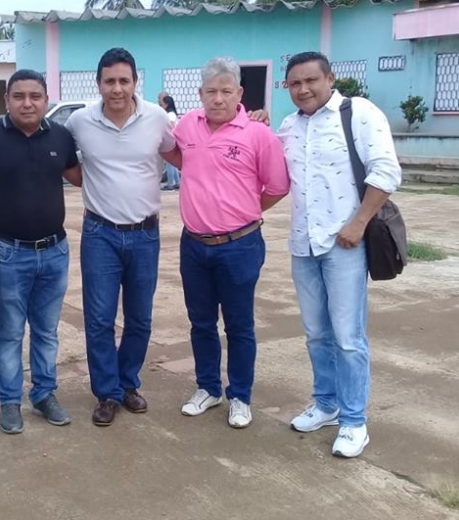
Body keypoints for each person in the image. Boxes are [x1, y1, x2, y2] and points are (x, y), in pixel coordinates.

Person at [277, 51, 401, 458]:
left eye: (311, 80)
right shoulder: (288, 127)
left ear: (330, 78)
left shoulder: (359, 113)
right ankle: (326, 404)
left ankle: (353, 421)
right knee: (316, 334)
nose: (303, 89)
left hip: (345, 245)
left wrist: (358, 223)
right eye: (294, 83)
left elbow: (386, 171)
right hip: (303, 245)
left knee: (348, 338)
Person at [165, 57, 288, 428]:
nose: (218, 99)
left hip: (240, 245)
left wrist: (246, 208)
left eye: (226, 91)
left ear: (239, 94)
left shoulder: (258, 134)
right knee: (200, 322)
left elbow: (278, 186)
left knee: (239, 324)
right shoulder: (187, 125)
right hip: (194, 245)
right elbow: (175, 154)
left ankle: (240, 396)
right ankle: (208, 388)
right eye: (211, 91)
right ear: (200, 94)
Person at [64, 48, 176, 427]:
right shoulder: (80, 121)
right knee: (99, 319)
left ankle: (128, 383)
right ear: (98, 84)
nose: (117, 88)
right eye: (109, 81)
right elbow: (65, 161)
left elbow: (183, 154)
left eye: (124, 81)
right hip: (100, 235)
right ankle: (107, 393)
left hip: (145, 235)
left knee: (140, 319)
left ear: (134, 83)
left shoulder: (157, 118)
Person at [0, 69, 82, 434]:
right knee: (9, 332)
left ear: (46, 100)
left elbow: (80, 176)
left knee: (47, 331)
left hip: (55, 252)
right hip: (8, 253)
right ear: (6, 99)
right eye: (19, 96)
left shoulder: (61, 136)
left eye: (35, 96)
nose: (27, 103)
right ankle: (9, 402)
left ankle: (44, 394)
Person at [159, 95, 181, 191]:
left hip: (170, 140)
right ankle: (177, 182)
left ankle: (171, 183)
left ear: (166, 104)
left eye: (162, 104)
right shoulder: (171, 114)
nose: (160, 105)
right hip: (173, 140)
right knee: (172, 164)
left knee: (170, 164)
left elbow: (171, 127)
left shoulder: (170, 115)